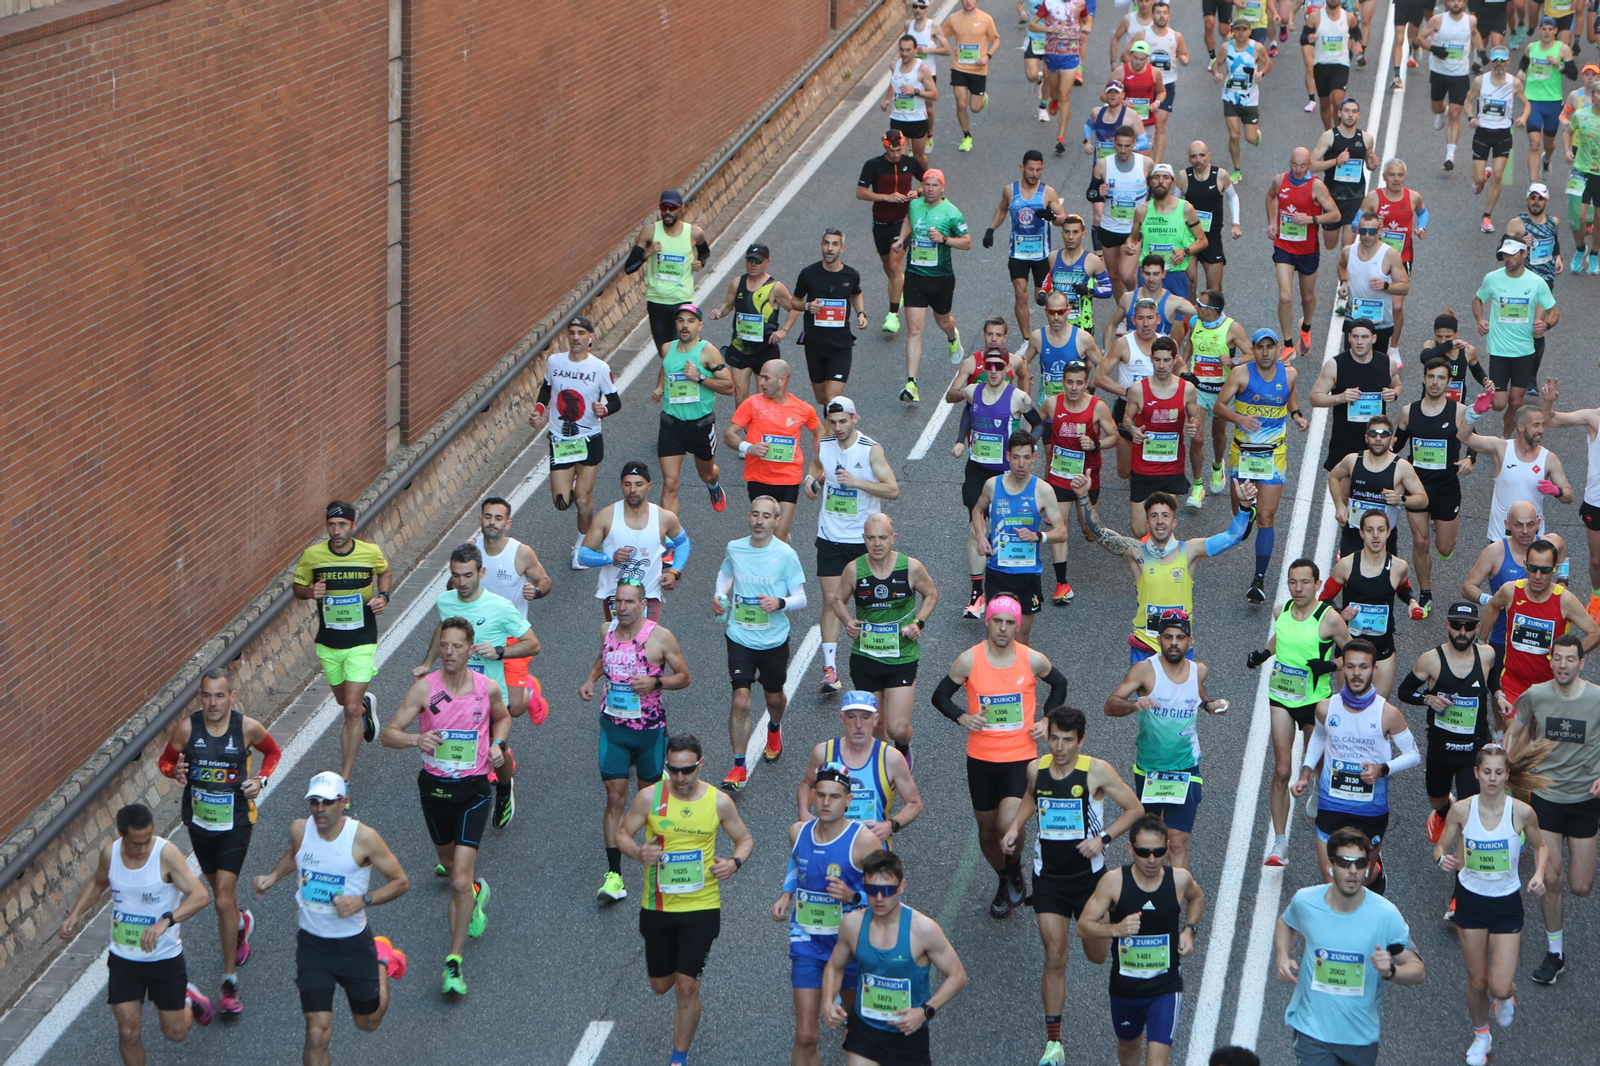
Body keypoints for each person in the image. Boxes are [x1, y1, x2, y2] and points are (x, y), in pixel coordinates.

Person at [1001, 706, 1145, 1066]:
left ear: (1081, 740)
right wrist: (1016, 826)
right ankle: (1054, 1043)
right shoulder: (1036, 769)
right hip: (1048, 878)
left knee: (1097, 956)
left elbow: (1134, 809)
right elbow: (1031, 797)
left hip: (1089, 881)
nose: (1059, 747)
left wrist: (1104, 839)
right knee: (1054, 956)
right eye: (1054, 739)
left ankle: (1121, 940)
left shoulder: (1097, 771)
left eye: (1067, 740)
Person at [383, 617, 508, 995]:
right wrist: (416, 740)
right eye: (444, 645)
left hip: (474, 790)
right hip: (435, 791)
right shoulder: (425, 689)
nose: (449, 652)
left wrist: (497, 745)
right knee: (450, 865)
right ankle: (476, 892)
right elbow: (389, 734)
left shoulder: (487, 688)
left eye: (457, 646)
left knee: (457, 881)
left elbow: (502, 718)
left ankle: (454, 961)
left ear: (471, 648)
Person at [250, 773, 409, 1066]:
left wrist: (362, 900)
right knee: (316, 1031)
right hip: (313, 945)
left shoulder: (364, 838)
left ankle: (382, 959)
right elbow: (296, 854)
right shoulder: (300, 829)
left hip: (353, 945)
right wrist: (272, 876)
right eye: (314, 802)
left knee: (368, 1022)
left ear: (343, 802)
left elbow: (400, 881)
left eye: (327, 802)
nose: (320, 808)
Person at [615, 734, 754, 1066]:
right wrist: (637, 852)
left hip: (702, 907)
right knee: (660, 985)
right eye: (673, 770)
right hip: (658, 906)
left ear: (700, 765)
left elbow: (745, 839)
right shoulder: (649, 798)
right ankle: (684, 988)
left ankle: (679, 1058)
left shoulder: (719, 802)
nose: (679, 778)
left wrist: (734, 863)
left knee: (686, 987)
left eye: (687, 770)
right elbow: (621, 833)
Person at [932, 595, 1070, 918]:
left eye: (1010, 623)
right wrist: (962, 717)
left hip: (1020, 756)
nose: (1004, 628)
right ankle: (1003, 877)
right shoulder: (969, 660)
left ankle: (1014, 866)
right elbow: (940, 696)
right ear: (988, 622)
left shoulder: (1031, 659)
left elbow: (1059, 683)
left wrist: (1047, 719)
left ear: (1017, 626)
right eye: (998, 621)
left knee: (1008, 823)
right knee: (987, 830)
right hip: (981, 758)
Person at [157, 670, 280, 1014]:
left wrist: (261, 779)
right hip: (199, 824)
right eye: (207, 696)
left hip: (236, 823)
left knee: (223, 899)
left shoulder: (247, 728)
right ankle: (241, 923)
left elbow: (272, 753)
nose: (213, 703)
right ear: (200, 697)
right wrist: (174, 772)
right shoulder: (186, 729)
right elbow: (165, 761)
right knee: (219, 897)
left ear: (232, 697)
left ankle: (229, 982)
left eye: (219, 695)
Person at [59, 803, 214, 1065]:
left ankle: (189, 999)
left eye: (147, 840)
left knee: (175, 1033)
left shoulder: (166, 855)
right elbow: (97, 882)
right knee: (128, 1033)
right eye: (136, 843)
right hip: (124, 957)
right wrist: (75, 914)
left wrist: (167, 920)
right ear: (122, 835)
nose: (143, 849)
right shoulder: (110, 854)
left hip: (163, 957)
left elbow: (200, 896)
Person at [1435, 740, 1550, 1064]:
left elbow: (1541, 846)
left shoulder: (1521, 812)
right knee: (1478, 981)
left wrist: (1539, 874)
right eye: (1487, 772)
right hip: (1470, 901)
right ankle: (1481, 1037)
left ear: (1507, 775)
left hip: (1506, 904)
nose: (1493, 778)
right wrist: (1442, 859)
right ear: (1476, 773)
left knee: (1499, 987)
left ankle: (1506, 997)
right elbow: (1440, 846)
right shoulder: (1462, 810)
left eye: (1499, 772)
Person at [578, 579, 691, 903]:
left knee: (648, 800)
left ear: (643, 605)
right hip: (613, 728)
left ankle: (659, 859)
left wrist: (656, 682)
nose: (622, 607)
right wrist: (590, 679)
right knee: (615, 797)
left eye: (629, 602)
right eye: (618, 601)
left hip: (648, 731)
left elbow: (684, 677)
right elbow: (604, 657)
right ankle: (614, 875)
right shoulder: (607, 630)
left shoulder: (660, 637)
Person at [1274, 827, 1425, 1066]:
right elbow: (1286, 922)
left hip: (1360, 1037)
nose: (1353, 870)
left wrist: (1391, 971)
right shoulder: (1306, 901)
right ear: (1330, 866)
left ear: (1368, 867)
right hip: (1312, 1031)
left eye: (1360, 863)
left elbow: (1417, 970)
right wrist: (1282, 956)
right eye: (1345, 863)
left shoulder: (1385, 915)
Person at [417, 544, 536, 829]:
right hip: (456, 694)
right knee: (463, 748)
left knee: (497, 752)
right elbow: (443, 628)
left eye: (468, 575)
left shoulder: (500, 607)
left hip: (491, 695)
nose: (461, 582)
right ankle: (465, 808)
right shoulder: (445, 601)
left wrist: (499, 652)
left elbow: (533, 644)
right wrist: (427, 662)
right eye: (456, 575)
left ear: (481, 572)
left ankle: (504, 789)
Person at [772, 765, 884, 1066]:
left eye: (834, 796)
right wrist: (786, 894)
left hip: (850, 945)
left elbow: (890, 892)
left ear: (848, 800)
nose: (825, 802)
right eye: (820, 795)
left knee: (859, 1025)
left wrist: (854, 896)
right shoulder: (798, 832)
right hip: (807, 943)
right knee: (805, 1035)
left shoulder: (863, 841)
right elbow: (797, 861)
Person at [1076, 814, 1207, 1066]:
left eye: (1158, 852)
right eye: (1143, 852)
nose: (1151, 859)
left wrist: (1189, 930)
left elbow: (1197, 898)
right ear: (1130, 849)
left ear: (1166, 848)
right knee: (1129, 1047)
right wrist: (1116, 929)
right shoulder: (1113, 882)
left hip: (1165, 987)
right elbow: (1083, 926)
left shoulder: (1178, 879)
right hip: (1126, 988)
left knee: (1157, 1061)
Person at [1291, 639, 1421, 890]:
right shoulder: (1326, 707)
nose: (1356, 673)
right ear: (1343, 668)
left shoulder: (1388, 713)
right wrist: (1305, 774)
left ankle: (1377, 873)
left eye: (1363, 667)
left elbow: (1413, 754)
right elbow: (1318, 737)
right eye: (1350, 666)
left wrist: (1382, 769)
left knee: (1361, 880)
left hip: (1370, 808)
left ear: (1374, 669)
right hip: (1332, 803)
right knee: (1332, 881)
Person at [1507, 636, 1600, 984]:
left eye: (1570, 659)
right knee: (1550, 877)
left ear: (1582, 663)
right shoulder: (1536, 695)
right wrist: (1509, 766)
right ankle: (1555, 953)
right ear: (1551, 662)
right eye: (1557, 658)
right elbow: (1514, 729)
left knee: (1581, 886)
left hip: (1585, 800)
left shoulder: (1596, 698)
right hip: (1546, 797)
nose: (1563, 665)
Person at [1079, 482, 1260, 661]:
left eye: (1165, 516)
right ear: (1147, 523)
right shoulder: (1136, 552)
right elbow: (1097, 531)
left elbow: (1233, 536)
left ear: (1174, 523)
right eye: (1154, 516)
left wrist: (1245, 506)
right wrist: (1082, 496)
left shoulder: (1190, 551)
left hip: (1179, 649)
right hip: (1145, 646)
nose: (1160, 521)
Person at [821, 851, 969, 1064]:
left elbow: (958, 976)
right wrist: (827, 1002)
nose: (879, 898)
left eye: (888, 890)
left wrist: (925, 1011)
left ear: (902, 887)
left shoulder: (923, 929)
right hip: (865, 1032)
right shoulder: (853, 925)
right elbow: (835, 967)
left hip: (908, 1037)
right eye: (872, 890)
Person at [1248, 559, 1351, 865]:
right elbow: (1282, 637)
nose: (1298, 588)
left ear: (1317, 585)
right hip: (1281, 697)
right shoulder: (1280, 611)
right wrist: (1264, 653)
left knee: (1317, 763)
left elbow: (1356, 656)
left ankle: (1319, 789)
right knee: (1282, 770)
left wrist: (1330, 665)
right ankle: (1279, 844)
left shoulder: (1329, 619)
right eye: (1293, 582)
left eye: (1305, 582)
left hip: (1314, 702)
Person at [1104, 611, 1226, 869]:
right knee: (1149, 842)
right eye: (1168, 637)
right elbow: (1110, 706)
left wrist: (1209, 705)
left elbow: (1197, 693)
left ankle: (1175, 892)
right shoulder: (1144, 671)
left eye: (1180, 638)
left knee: (1177, 841)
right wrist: (1135, 704)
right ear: (1159, 639)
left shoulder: (1199, 671)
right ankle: (1151, 886)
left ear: (1190, 641)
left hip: (1186, 767)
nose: (1174, 643)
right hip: (1149, 769)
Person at [292, 500, 391, 790]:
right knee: (343, 701)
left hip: (362, 639)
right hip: (329, 642)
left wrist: (383, 597)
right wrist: (310, 591)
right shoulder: (313, 556)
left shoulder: (369, 553)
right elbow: (297, 588)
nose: (336, 531)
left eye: (342, 525)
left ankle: (344, 780)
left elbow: (385, 572)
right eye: (331, 525)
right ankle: (364, 705)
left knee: (349, 709)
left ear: (353, 526)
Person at [805, 398, 900, 694]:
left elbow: (892, 489)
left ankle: (876, 658)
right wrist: (809, 479)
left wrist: (858, 482)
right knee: (831, 600)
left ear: (855, 418)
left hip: (864, 541)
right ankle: (830, 669)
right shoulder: (825, 444)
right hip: (830, 535)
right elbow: (817, 465)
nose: (837, 427)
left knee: (869, 604)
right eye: (832, 422)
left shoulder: (870, 449)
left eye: (843, 421)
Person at [714, 496, 809, 791]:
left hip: (773, 640)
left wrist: (779, 602)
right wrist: (719, 595)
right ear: (748, 517)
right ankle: (738, 766)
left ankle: (774, 728)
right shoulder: (735, 547)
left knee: (774, 698)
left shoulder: (785, 554)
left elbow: (801, 598)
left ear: (776, 521)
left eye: (766, 516)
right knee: (740, 701)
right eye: (755, 514)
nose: (759, 521)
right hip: (739, 636)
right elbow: (726, 573)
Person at [1214, 327, 1310, 601]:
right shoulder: (1240, 374)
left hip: (1273, 456)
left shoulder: (1289, 374)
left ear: (1278, 349)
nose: (1265, 352)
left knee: (1267, 517)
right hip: (1243, 454)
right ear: (1253, 350)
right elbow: (1219, 406)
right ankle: (1250, 510)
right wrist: (1239, 418)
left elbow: (1289, 393)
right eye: (1260, 347)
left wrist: (1296, 415)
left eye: (1270, 347)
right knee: (1240, 519)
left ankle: (1259, 579)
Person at [835, 516, 938, 760]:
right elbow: (838, 599)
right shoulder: (854, 569)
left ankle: (903, 748)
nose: (877, 544)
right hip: (865, 658)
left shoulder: (910, 567)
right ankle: (886, 768)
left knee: (897, 729)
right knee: (876, 726)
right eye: (871, 538)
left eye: (882, 537)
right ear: (864, 539)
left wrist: (918, 622)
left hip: (902, 657)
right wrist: (847, 620)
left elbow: (931, 594)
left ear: (894, 538)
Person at [1399, 601, 1500, 841]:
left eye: (1469, 627)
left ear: (1477, 627)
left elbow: (1492, 679)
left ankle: (1466, 855)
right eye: (1456, 625)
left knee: (1470, 811)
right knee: (1436, 799)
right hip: (1441, 746)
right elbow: (1404, 691)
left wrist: (1500, 695)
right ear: (1447, 625)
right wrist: (1428, 699)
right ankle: (1444, 812)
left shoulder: (1487, 654)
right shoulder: (1431, 660)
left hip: (1474, 746)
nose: (1462, 632)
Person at [961, 352, 1045, 615]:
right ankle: (977, 594)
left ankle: (1010, 573)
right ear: (984, 367)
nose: (994, 370)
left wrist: (1026, 448)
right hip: (977, 470)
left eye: (999, 366)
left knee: (1008, 526)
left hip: (1004, 473)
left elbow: (1038, 423)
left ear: (1007, 368)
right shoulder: (973, 392)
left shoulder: (1019, 397)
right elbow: (968, 412)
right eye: (989, 366)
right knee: (975, 525)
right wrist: (959, 440)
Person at [970, 430, 1070, 645]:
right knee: (996, 634)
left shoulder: (1043, 490)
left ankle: (1021, 668)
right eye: (1016, 457)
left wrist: (1038, 536)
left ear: (1034, 457)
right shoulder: (993, 485)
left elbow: (1062, 532)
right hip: (998, 571)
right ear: (1008, 456)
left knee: (1021, 635)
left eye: (1026, 457)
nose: (1021, 464)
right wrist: (980, 536)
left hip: (1027, 573)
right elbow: (977, 510)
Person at [1483, 539, 1600, 711]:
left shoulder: (1564, 599)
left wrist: (1568, 656)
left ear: (1554, 569)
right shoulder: (1511, 590)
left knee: (1540, 729)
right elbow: (1493, 606)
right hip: (1513, 683)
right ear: (1525, 566)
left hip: (1551, 688)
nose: (1538, 576)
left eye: (1545, 570)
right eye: (1533, 568)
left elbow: (1595, 632)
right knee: (1514, 727)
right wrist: (1481, 642)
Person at [534, 316, 618, 551]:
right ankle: (571, 483)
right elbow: (546, 388)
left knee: (582, 500)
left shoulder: (599, 368)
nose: (576, 337)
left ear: (591, 337)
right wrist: (539, 410)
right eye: (572, 333)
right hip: (561, 440)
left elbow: (615, 401)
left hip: (589, 440)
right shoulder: (555, 362)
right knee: (561, 502)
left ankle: (583, 547)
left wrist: (604, 410)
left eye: (581, 333)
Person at [1395, 359, 1471, 615]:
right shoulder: (1408, 412)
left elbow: (1473, 441)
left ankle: (1443, 531)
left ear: (1449, 382)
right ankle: (1425, 593)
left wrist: (1470, 459)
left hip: (1446, 487)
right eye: (1431, 376)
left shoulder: (1459, 411)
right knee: (1420, 541)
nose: (1435, 382)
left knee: (1444, 549)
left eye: (1441, 378)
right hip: (1417, 485)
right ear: (1424, 378)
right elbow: (1397, 445)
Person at [1462, 500, 1571, 673]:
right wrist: (1492, 601)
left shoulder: (1551, 544)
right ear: (1507, 524)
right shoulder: (1495, 552)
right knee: (1501, 685)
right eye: (1518, 525)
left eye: (1530, 524)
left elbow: (1563, 550)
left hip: (1544, 638)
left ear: (1538, 523)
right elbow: (1468, 587)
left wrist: (1563, 581)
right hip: (1504, 639)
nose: (1525, 531)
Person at [799, 689, 925, 838]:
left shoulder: (891, 758)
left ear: (875, 719)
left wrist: (891, 825)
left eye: (865, 717)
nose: (858, 725)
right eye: (851, 717)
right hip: (830, 844)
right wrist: (804, 812)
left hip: (872, 846)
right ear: (842, 718)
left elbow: (914, 803)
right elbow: (808, 784)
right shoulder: (824, 753)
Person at [473, 495, 553, 725]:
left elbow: (545, 580)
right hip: (479, 636)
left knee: (514, 708)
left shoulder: (521, 553)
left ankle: (529, 689)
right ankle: (492, 744)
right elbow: (455, 583)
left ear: (508, 524)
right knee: (477, 701)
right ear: (480, 519)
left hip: (512, 637)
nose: (492, 522)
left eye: (498, 518)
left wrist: (536, 591)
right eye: (488, 517)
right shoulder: (471, 551)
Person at [578, 462, 689, 625]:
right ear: (621, 485)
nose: (633, 490)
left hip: (649, 595)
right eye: (627, 484)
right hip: (616, 597)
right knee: (618, 639)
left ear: (649, 486)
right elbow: (582, 555)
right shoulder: (606, 516)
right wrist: (609, 558)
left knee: (646, 640)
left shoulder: (664, 517)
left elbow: (683, 544)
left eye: (639, 484)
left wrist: (674, 572)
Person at [893, 169, 971, 401]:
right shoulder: (915, 205)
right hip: (915, 276)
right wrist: (901, 239)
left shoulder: (952, 212)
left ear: (942, 188)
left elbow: (967, 243)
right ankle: (911, 384)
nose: (929, 189)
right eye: (926, 184)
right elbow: (909, 220)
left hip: (941, 278)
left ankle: (952, 336)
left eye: (934, 185)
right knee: (914, 330)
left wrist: (944, 239)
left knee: (943, 321)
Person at [1324, 508, 1419, 697]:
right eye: (1369, 530)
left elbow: (1402, 587)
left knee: (1379, 707)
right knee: (1348, 705)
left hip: (1382, 649)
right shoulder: (1346, 565)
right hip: (1349, 647)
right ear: (1361, 533)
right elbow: (1324, 599)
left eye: (1380, 530)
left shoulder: (1399, 567)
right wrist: (1340, 613)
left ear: (1388, 532)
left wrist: (1411, 601)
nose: (1375, 535)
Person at [726, 360, 822, 543]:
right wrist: (749, 448)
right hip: (759, 478)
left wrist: (819, 462)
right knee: (765, 533)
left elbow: (819, 431)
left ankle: (782, 541)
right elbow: (729, 435)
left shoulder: (803, 408)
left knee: (779, 535)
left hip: (788, 478)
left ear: (781, 380)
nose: (761, 382)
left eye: (766, 378)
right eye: (761, 377)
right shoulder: (752, 404)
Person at [652, 303, 733, 519]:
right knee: (670, 483)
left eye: (690, 321)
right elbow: (666, 368)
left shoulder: (708, 352)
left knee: (706, 473)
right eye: (681, 321)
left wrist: (700, 377)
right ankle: (669, 534)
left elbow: (729, 387)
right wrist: (660, 387)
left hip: (700, 425)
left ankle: (713, 485)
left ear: (700, 325)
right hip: (671, 424)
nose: (685, 325)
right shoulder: (667, 348)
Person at [1472, 238, 1557, 434]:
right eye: (1504, 254)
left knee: (1516, 401)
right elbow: (1477, 300)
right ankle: (1504, 414)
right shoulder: (1492, 278)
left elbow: (1554, 311)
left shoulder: (1537, 282)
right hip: (1499, 350)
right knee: (1499, 403)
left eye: (1511, 254)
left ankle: (1506, 439)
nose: (1507, 258)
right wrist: (1480, 319)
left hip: (1525, 350)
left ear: (1524, 254)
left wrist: (1546, 325)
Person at [984, 151, 1066, 346]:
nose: (1034, 174)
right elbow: (1002, 209)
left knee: (1041, 298)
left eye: (1038, 170)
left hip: (1041, 254)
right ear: (1022, 168)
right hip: (1018, 253)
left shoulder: (1048, 193)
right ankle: (1028, 339)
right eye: (1030, 169)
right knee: (1021, 294)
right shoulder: (1010, 191)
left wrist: (1052, 217)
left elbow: (1063, 218)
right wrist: (990, 230)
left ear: (1042, 169)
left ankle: (1054, 332)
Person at [1536, 374, 1600, 620]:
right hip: (1596, 502)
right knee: (1597, 561)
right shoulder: (1594, 417)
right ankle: (1597, 598)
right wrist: (1548, 402)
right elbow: (1549, 420)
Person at [1461, 401, 1573, 542]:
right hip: (1501, 537)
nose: (1541, 430)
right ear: (1520, 427)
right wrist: (1473, 414)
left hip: (1533, 537)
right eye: (1536, 425)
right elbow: (1464, 437)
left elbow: (1569, 496)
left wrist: (1557, 491)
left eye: (1543, 425)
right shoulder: (1501, 449)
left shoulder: (1549, 459)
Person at [1267, 149, 1341, 358]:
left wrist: (1312, 219)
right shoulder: (1280, 181)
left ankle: (1306, 328)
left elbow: (1335, 214)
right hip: (1284, 246)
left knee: (1307, 297)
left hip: (1308, 249)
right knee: (1285, 296)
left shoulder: (1316, 186)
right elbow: (1270, 197)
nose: (1298, 170)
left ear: (1309, 165)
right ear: (1289, 162)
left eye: (1302, 166)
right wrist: (1271, 222)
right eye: (1294, 165)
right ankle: (1288, 344)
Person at [1328, 413, 1429, 562]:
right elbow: (1333, 476)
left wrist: (1401, 499)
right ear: (1366, 437)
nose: (1378, 438)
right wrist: (1339, 505)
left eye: (1384, 434)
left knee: (1382, 577)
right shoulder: (1353, 460)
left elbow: (1423, 500)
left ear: (1392, 439)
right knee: (1349, 574)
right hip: (1354, 533)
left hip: (1383, 538)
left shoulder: (1401, 467)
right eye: (1373, 434)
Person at [1122, 336, 1206, 514]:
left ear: (1175, 360)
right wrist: (1133, 429)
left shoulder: (1187, 389)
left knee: (1162, 522)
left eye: (1167, 360)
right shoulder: (1138, 389)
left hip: (1172, 467)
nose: (1161, 365)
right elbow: (1127, 419)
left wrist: (1194, 425)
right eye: (1157, 360)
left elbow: (1196, 417)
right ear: (1151, 359)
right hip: (1143, 467)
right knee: (1139, 527)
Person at [1310, 319, 1402, 473]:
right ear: (1349, 338)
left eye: (1365, 337)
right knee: (1342, 487)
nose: (1359, 342)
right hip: (1345, 442)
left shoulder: (1387, 363)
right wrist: (1340, 397)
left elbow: (1398, 385)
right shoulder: (1336, 365)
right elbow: (1314, 398)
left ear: (1374, 338)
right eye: (1355, 337)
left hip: (1376, 441)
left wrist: (1394, 393)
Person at [856, 130, 926, 334]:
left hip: (903, 222)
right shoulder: (873, 165)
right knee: (888, 267)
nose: (896, 154)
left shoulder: (911, 163)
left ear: (903, 145)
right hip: (880, 223)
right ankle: (898, 287)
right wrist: (886, 197)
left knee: (895, 266)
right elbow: (860, 193)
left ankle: (893, 315)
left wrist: (917, 192)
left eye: (899, 150)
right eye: (891, 151)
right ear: (885, 147)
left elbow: (928, 182)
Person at [708, 244, 795, 407]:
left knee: (764, 399)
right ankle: (745, 425)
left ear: (767, 262)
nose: (753, 264)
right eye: (750, 260)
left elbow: (795, 307)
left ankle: (760, 424)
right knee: (740, 398)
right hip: (740, 347)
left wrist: (784, 330)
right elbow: (728, 305)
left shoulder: (775, 287)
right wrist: (719, 312)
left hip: (765, 350)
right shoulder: (737, 283)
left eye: (758, 261)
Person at [626, 189, 710, 355]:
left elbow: (705, 252)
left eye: (672, 208)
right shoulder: (650, 232)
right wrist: (646, 254)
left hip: (681, 299)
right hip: (657, 300)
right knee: (664, 352)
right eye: (664, 207)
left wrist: (701, 262)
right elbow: (629, 267)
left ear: (681, 209)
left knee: (680, 350)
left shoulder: (694, 233)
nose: (667, 212)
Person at [791, 229, 869, 405]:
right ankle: (830, 420)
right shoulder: (808, 273)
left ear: (842, 248)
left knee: (832, 398)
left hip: (840, 345)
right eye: (826, 243)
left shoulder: (851, 275)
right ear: (821, 246)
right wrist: (807, 306)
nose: (829, 248)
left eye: (834, 244)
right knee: (821, 399)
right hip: (815, 345)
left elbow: (856, 293)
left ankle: (834, 423)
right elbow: (794, 302)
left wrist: (861, 313)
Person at [1358, 161, 1429, 353]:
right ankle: (1368, 341)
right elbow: (1355, 223)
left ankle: (1394, 348)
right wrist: (1372, 222)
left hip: (1402, 258)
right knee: (1374, 300)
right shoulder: (1373, 198)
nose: (1396, 179)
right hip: (1376, 257)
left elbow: (1423, 212)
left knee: (1397, 307)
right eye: (1392, 175)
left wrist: (1421, 227)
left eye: (1400, 175)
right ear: (1384, 176)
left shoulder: (1413, 197)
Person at [1465, 48, 1530, 232]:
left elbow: (1526, 103)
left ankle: (1487, 217)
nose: (1498, 65)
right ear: (1491, 62)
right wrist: (1471, 118)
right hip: (1483, 132)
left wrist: (1524, 117)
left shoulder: (1514, 83)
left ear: (1508, 62)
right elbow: (1468, 101)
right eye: (1495, 61)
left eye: (1502, 61)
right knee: (1478, 178)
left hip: (1503, 133)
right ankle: (1483, 176)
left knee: (1499, 175)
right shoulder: (1480, 81)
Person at [1091, 126, 1157, 298]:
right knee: (1114, 275)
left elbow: (1156, 193)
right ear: (1114, 143)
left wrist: (1149, 210)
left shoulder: (1146, 163)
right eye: (1119, 145)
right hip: (1109, 227)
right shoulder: (1103, 164)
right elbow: (1090, 193)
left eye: (1127, 146)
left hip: (1133, 229)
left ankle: (1137, 301)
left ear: (1134, 143)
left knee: (1126, 275)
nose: (1122, 150)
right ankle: (1124, 309)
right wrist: (1099, 193)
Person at [1129, 163, 1209, 301]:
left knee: (1177, 314)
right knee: (1148, 314)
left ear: (1173, 183)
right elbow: (1133, 238)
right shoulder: (1142, 210)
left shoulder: (1185, 208)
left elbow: (1203, 240)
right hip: (1149, 275)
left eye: (1165, 177)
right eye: (1156, 177)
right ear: (1150, 182)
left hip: (1174, 274)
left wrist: (1184, 251)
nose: (1161, 181)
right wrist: (1130, 244)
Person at [1336, 211, 1410, 356]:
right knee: (1351, 363)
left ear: (1380, 230)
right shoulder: (1348, 252)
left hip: (1380, 323)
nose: (1367, 235)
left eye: (1371, 231)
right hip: (1353, 319)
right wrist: (1344, 282)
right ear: (1358, 230)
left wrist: (1386, 286)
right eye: (1363, 231)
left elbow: (1404, 287)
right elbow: (1341, 266)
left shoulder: (1390, 255)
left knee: (1376, 365)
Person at [1312, 98, 1377, 252]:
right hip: (1331, 197)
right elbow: (1311, 165)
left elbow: (1369, 163)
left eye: (1354, 111)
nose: (1350, 115)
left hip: (1355, 198)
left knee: (1347, 247)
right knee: (1330, 245)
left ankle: (1345, 268)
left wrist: (1372, 165)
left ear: (1358, 115)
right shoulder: (1329, 136)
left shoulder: (1366, 139)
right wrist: (1336, 161)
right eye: (1347, 111)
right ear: (1339, 113)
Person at [1178, 143, 1243, 293]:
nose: (1198, 160)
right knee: (1189, 283)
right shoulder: (1183, 177)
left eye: (1202, 155)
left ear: (1209, 156)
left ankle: (1211, 309)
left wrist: (1236, 223)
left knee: (1214, 289)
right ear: (1189, 158)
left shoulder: (1220, 175)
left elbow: (1233, 197)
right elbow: (1174, 204)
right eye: (1194, 156)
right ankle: (1191, 309)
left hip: (1211, 236)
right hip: (1189, 236)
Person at [1131, 1, 1190, 162]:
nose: (1161, 16)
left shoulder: (1176, 36)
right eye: (1158, 13)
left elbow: (1185, 55)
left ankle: (1155, 164)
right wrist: (1140, 65)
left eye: (1164, 13)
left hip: (1167, 85)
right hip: (1146, 85)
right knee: (1141, 124)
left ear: (1169, 16)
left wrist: (1184, 59)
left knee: (1160, 125)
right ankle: (1139, 159)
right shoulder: (1143, 34)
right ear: (1152, 15)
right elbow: (1126, 56)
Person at [1214, 19, 1272, 181]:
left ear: (1249, 31)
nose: (1240, 33)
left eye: (1244, 29)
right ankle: (1237, 170)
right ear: (1233, 31)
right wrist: (1216, 73)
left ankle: (1256, 135)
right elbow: (1216, 63)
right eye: (1238, 29)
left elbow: (1268, 63)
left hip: (1249, 99)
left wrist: (1261, 73)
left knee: (1250, 138)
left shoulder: (1256, 48)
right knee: (1234, 135)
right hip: (1230, 96)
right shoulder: (1226, 47)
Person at [1032, 0, 1093, 153]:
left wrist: (1087, 26)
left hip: (1071, 54)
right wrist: (1051, 29)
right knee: (1055, 94)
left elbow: (1087, 19)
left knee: (1064, 95)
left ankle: (1060, 138)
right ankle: (1054, 100)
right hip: (1052, 54)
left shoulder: (1079, 3)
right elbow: (1032, 25)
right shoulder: (1049, 3)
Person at [942, 0, 1002, 151]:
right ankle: (967, 136)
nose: (968, 2)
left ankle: (982, 98)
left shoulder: (985, 19)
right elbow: (942, 35)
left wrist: (988, 56)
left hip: (978, 69)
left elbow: (996, 40)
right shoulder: (953, 19)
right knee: (961, 104)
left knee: (975, 108)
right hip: (958, 67)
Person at [1031, 287, 1104, 407]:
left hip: (1075, 406)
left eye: (1060, 312)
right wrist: (1025, 383)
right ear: (1045, 311)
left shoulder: (1083, 338)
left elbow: (1102, 364)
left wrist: (1090, 389)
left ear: (1069, 310)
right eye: (1051, 312)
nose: (1056, 317)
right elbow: (1025, 361)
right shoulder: (1037, 337)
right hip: (1048, 406)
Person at [1042, 212, 1113, 336]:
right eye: (1067, 232)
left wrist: (1090, 291)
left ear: (1083, 234)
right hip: (1057, 323)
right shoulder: (1053, 257)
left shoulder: (1093, 261)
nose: (1071, 237)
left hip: (1082, 325)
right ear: (1062, 234)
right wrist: (1042, 293)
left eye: (1075, 232)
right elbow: (1048, 279)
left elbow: (1108, 290)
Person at [1522, 18, 1575, 180]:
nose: (1547, 32)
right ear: (1539, 30)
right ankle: (1533, 184)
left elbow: (1574, 75)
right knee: (1534, 144)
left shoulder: (1563, 49)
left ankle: (1546, 159)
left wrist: (1558, 65)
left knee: (1549, 144)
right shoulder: (1532, 47)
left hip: (1553, 102)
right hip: (1532, 101)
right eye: (1544, 29)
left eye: (1550, 29)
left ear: (1555, 31)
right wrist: (1521, 72)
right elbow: (1524, 61)